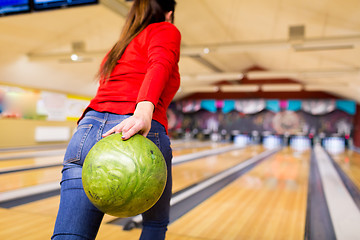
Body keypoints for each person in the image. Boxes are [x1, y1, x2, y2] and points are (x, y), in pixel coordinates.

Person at [51, 0, 180, 239]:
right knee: (155, 224)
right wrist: (142, 112)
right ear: (169, 13)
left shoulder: (118, 48)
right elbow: (160, 62)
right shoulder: (165, 29)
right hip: (136, 133)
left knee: (71, 235)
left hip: (87, 134)